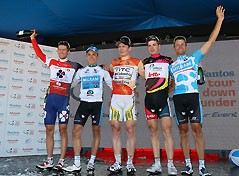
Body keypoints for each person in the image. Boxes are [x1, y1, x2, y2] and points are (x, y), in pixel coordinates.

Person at [169, 6, 225, 176]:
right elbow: (170, 86)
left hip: (192, 96)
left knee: (197, 129)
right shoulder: (171, 66)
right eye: (177, 45)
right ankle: (188, 166)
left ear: (186, 46)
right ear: (174, 48)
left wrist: (220, 20)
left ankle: (201, 166)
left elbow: (210, 41)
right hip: (178, 99)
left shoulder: (194, 58)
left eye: (182, 44)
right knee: (183, 132)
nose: (179, 47)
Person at [30, 30, 83, 171]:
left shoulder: (75, 65)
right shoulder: (52, 62)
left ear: (68, 51)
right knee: (49, 129)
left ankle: (61, 160)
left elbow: (88, 73)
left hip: (63, 101)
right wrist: (33, 39)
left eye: (64, 50)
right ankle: (49, 160)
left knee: (63, 129)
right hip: (51, 101)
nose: (61, 52)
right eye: (59, 49)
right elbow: (39, 54)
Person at [62, 46, 112, 174]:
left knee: (96, 133)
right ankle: (77, 163)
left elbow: (113, 86)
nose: (91, 56)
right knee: (75, 131)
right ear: (86, 56)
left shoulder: (102, 71)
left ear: (97, 56)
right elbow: (70, 85)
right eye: (89, 54)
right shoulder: (81, 71)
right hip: (84, 104)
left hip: (97, 105)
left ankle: (91, 162)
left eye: (93, 54)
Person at [107, 36, 145, 174]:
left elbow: (147, 76)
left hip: (129, 99)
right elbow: (109, 73)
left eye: (124, 46)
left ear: (129, 48)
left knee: (130, 129)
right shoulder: (114, 62)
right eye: (119, 46)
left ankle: (129, 162)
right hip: (116, 99)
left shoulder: (137, 62)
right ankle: (117, 162)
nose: (121, 48)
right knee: (115, 128)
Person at [142, 35, 177, 175]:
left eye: (154, 45)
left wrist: (168, 89)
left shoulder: (168, 60)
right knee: (153, 132)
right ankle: (157, 163)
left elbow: (174, 77)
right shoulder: (144, 62)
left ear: (159, 46)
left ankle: (170, 164)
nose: (151, 47)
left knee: (167, 132)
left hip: (163, 101)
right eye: (149, 45)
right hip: (149, 101)